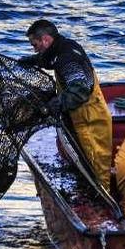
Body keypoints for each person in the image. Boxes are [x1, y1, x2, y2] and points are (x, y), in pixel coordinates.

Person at [19, 19, 112, 188]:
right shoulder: (64, 46)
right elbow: (49, 59)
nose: (34, 48)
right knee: (86, 160)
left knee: (97, 162)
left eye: (35, 45)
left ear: (46, 39)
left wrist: (56, 104)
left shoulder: (67, 59)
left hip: (90, 119)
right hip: (81, 115)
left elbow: (80, 90)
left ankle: (104, 197)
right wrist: (32, 61)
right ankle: (89, 185)